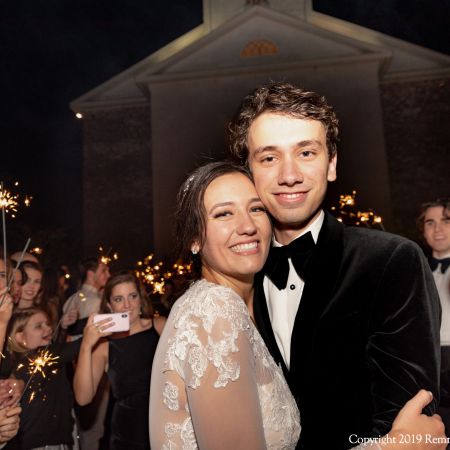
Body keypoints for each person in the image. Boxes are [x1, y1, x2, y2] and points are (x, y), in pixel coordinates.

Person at [149, 161, 445, 450]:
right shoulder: (215, 312)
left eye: (256, 209)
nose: (247, 226)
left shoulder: (234, 306)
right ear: (194, 238)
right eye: (224, 213)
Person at [228, 82, 441, 448]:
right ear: (248, 172)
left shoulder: (390, 261)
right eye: (269, 158)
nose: (289, 175)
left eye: (306, 152)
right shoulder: (236, 279)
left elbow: (407, 427)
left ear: (332, 164)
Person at [74, 271, 165, 450]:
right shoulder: (104, 346)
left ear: (140, 299)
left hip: (165, 423)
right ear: (109, 306)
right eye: (118, 299)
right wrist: (86, 345)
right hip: (128, 432)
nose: (127, 305)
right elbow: (83, 398)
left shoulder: (161, 326)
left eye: (132, 296)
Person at [1, 307, 80, 450]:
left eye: (48, 323)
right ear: (20, 337)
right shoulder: (32, 361)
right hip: (43, 444)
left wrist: (62, 328)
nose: (48, 328)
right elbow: (73, 348)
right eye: (39, 326)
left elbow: (58, 350)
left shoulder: (43, 357)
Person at [63, 257, 110, 450]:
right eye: (104, 271)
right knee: (93, 429)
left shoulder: (72, 298)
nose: (108, 275)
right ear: (91, 274)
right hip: (92, 368)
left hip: (72, 367)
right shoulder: (95, 302)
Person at [418, 198, 450, 431]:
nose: (438, 228)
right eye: (430, 222)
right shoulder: (414, 270)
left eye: (446, 221)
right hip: (427, 362)